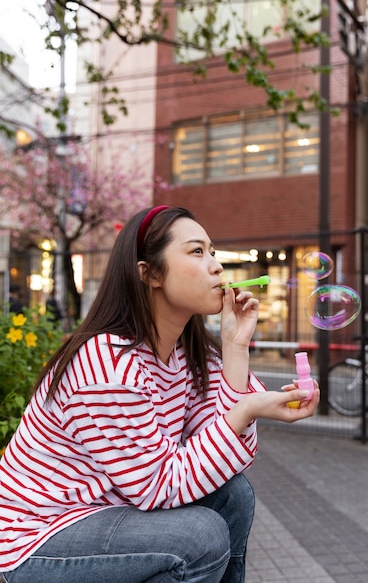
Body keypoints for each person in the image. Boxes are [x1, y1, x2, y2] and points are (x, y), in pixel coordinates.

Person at [0, 206, 319, 583]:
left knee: (234, 496)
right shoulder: (107, 364)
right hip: (40, 536)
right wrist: (246, 408)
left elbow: (218, 457)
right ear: (149, 273)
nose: (217, 266)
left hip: (113, 507)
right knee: (198, 537)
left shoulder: (188, 351)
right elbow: (158, 486)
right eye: (197, 252)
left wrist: (235, 346)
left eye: (212, 251)